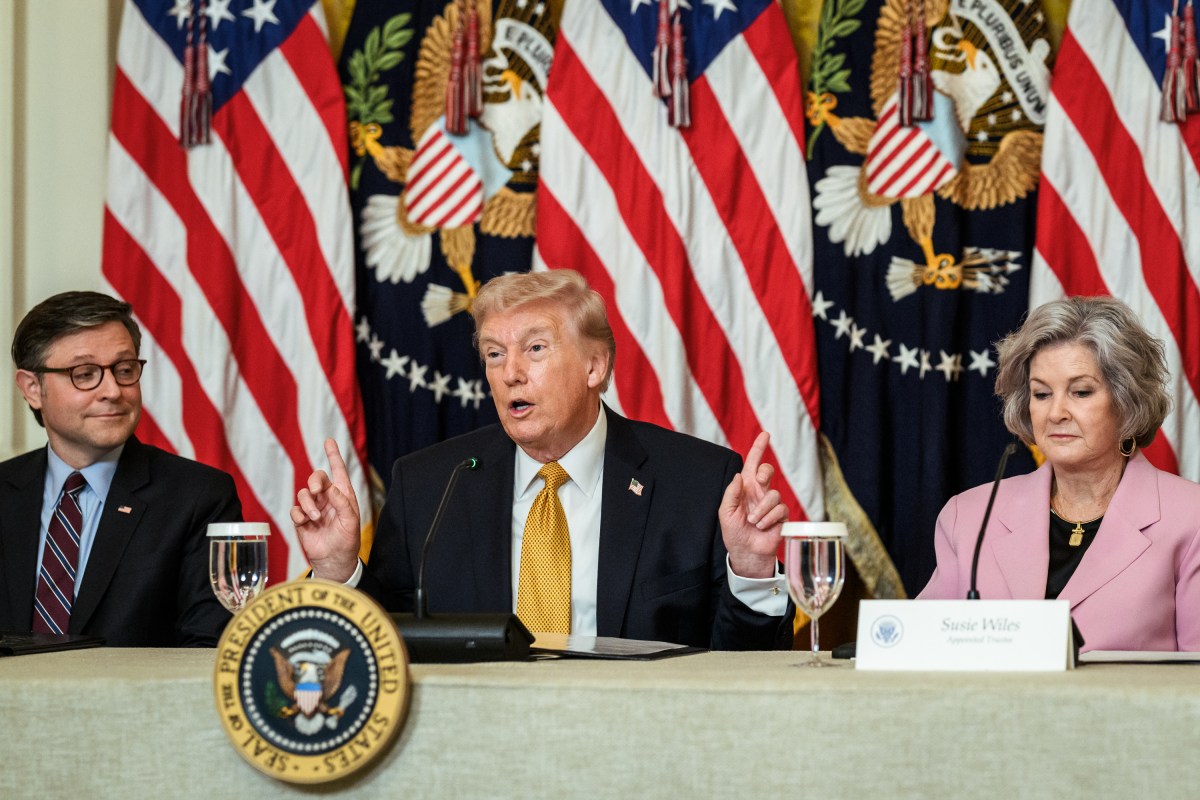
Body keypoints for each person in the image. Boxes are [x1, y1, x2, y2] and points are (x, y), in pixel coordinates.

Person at [293, 269, 792, 649]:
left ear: (595, 365)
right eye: (493, 354)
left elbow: (746, 669)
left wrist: (750, 570)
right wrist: (338, 572)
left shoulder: (698, 482)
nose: (510, 372)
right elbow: (384, 649)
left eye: (534, 349)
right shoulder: (429, 485)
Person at [919, 296, 1200, 651]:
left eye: (1080, 392)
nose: (1056, 413)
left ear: (1127, 400)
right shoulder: (970, 516)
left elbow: (1194, 677)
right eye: (1041, 394)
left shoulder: (1191, 518)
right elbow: (922, 650)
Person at [0, 291, 242, 646]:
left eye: (124, 370)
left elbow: (207, 652)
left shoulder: (199, 498)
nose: (113, 390)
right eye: (85, 374)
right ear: (32, 388)